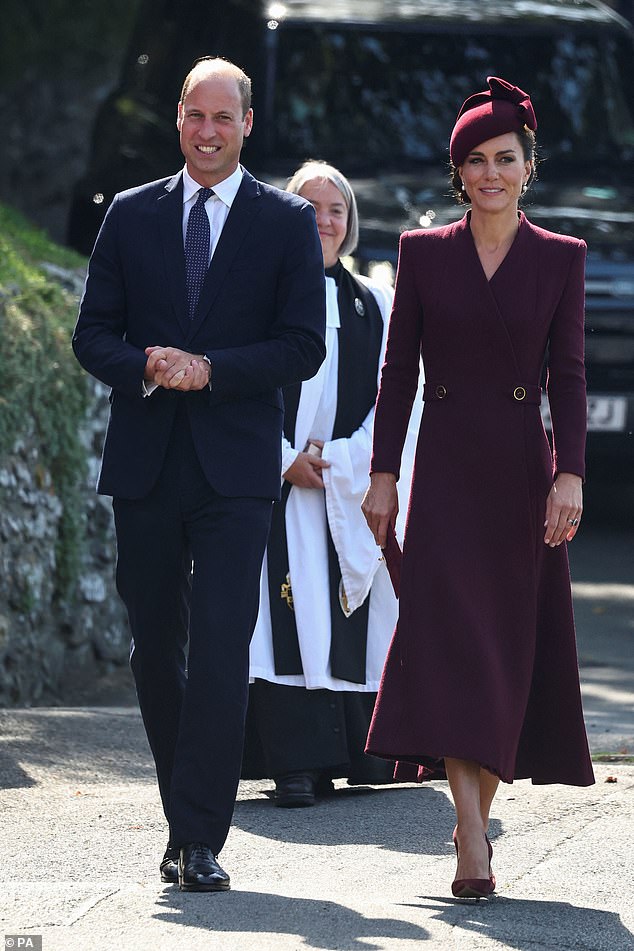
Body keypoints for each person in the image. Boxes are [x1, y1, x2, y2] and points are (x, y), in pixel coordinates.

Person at [72, 57, 325, 892]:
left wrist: (210, 368)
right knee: (154, 652)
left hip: (236, 472)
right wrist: (148, 364)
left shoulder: (285, 221)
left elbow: (302, 346)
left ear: (249, 123)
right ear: (176, 119)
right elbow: (91, 334)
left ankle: (199, 835)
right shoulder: (132, 214)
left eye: (223, 117)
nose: (207, 132)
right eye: (194, 116)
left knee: (220, 649)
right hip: (146, 465)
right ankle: (186, 818)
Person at [361, 76, 594, 899]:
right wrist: (384, 472)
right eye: (475, 161)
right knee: (455, 647)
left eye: (505, 158)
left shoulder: (563, 259)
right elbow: (396, 375)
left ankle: (470, 816)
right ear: (457, 172)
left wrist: (570, 471)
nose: (490, 173)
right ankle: (471, 833)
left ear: (528, 167)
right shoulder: (422, 253)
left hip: (523, 478)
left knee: (508, 656)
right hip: (449, 468)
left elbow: (569, 375)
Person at [243, 161, 420, 807]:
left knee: (348, 613)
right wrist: (282, 457)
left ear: (350, 223)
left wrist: (347, 460)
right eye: (308, 208)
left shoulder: (376, 302)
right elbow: (236, 389)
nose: (323, 220)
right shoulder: (253, 296)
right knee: (282, 616)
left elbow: (401, 398)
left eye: (336, 209)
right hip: (277, 490)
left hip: (342, 489)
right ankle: (293, 763)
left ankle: (363, 754)